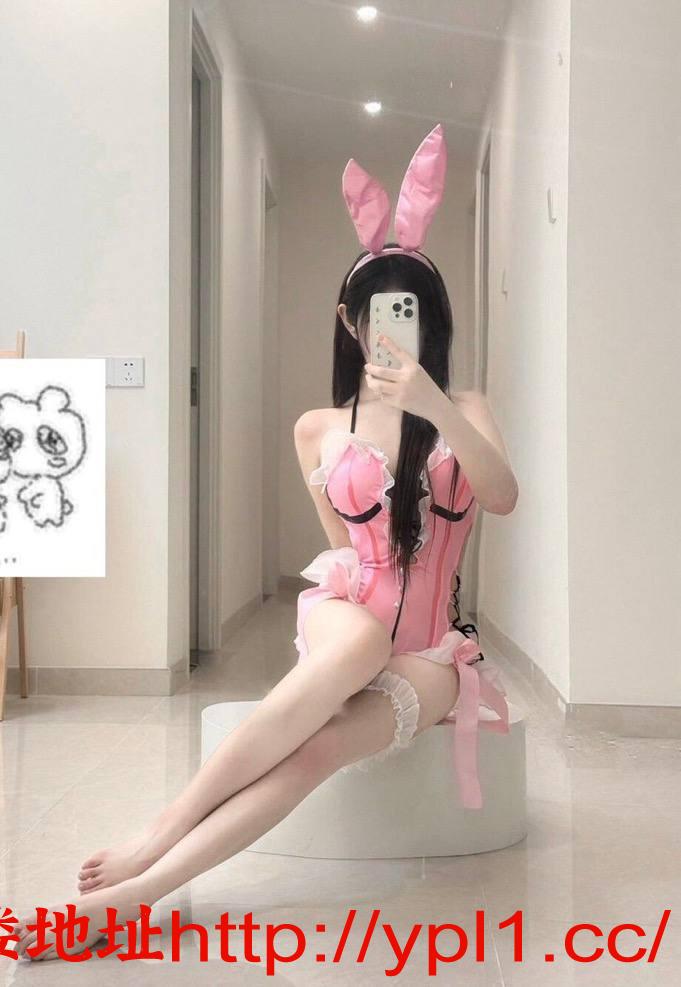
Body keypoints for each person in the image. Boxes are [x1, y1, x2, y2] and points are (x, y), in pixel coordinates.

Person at [15, 125, 518, 961]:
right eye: (380, 314)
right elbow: (343, 553)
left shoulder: (465, 407)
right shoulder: (316, 426)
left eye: (412, 314)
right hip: (351, 618)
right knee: (357, 638)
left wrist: (433, 402)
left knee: (318, 745)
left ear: (433, 323)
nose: (396, 328)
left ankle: (135, 895)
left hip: (432, 652)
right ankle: (159, 831)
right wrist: (350, 638)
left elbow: (499, 495)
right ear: (349, 322)